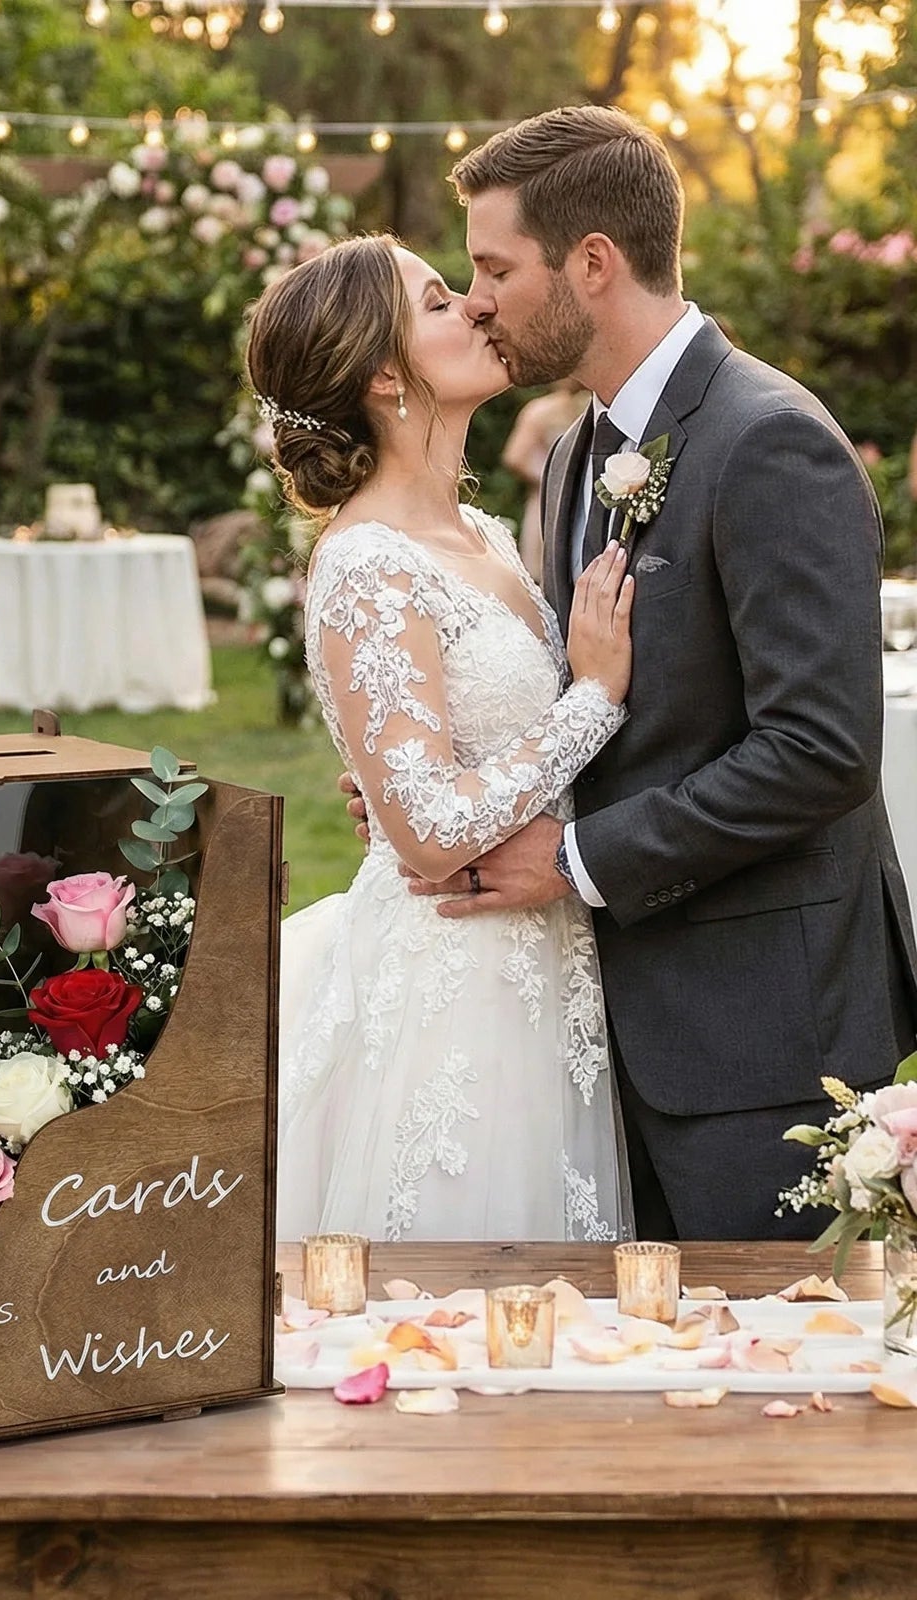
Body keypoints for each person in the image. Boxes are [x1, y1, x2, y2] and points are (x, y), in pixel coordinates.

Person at [348, 105, 917, 1240]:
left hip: (761, 1036)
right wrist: (445, 779)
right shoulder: (574, 453)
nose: (477, 300)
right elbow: (589, 700)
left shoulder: (769, 441)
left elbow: (821, 749)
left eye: (496, 268)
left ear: (592, 265)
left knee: (777, 1383)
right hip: (603, 1028)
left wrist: (572, 857)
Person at [250, 233, 634, 1244]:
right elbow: (424, 830)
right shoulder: (365, 561)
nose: (474, 306)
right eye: (436, 301)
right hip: (454, 980)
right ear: (383, 371)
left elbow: (448, 759)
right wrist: (591, 697)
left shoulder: (488, 536)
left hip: (549, 950)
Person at [502, 380, 589, 578]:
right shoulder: (540, 411)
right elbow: (515, 456)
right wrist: (556, 477)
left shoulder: (592, 408)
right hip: (547, 499)